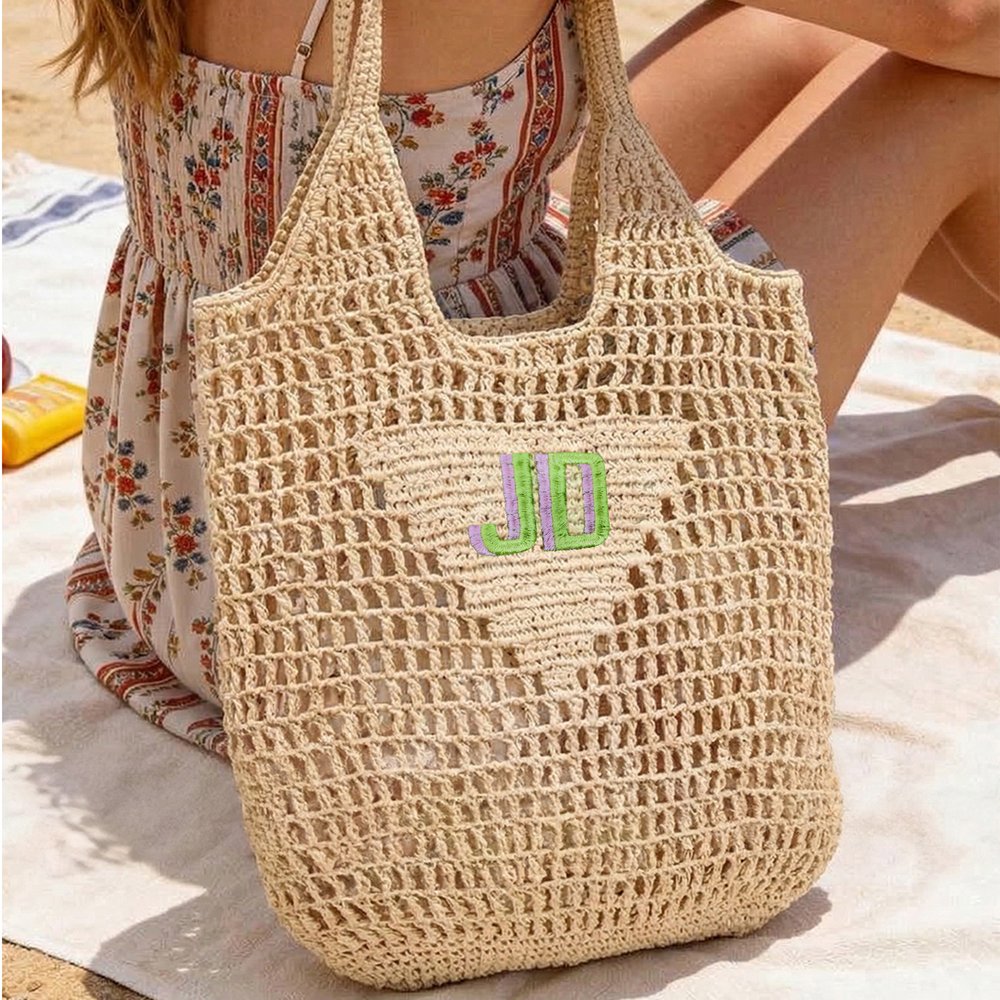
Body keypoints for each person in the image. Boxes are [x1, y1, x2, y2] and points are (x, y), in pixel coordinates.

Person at [58, 0, 999, 756]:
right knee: (951, 88)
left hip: (189, 530)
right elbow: (960, 25)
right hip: (407, 594)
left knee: (779, 36)